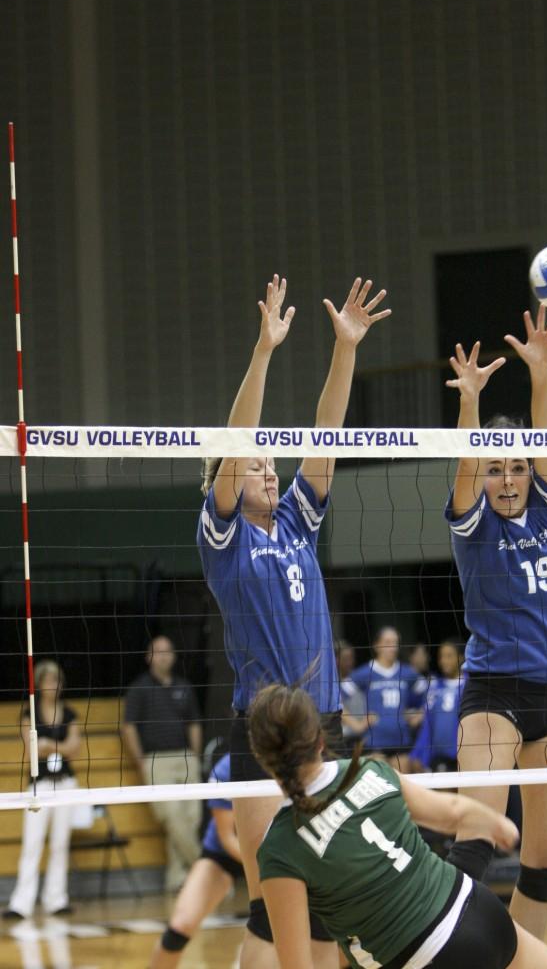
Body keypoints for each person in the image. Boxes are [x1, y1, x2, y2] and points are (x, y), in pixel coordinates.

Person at [197, 273, 390, 969]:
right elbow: (235, 438)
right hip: (263, 733)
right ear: (226, 475)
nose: (269, 472)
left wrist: (345, 350)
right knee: (267, 904)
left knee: (328, 895)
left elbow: (326, 434)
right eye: (254, 466)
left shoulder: (297, 525)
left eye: (271, 464)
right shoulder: (223, 539)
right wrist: (264, 351)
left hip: (327, 728)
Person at [249, 683, 547, 969]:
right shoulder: (368, 771)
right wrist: (490, 821)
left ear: (262, 758)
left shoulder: (279, 849)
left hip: (420, 957)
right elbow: (451, 812)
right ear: (320, 740)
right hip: (476, 910)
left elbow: (297, 964)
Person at [443, 305, 547, 940]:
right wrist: (470, 404)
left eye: (517, 466)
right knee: (475, 845)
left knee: (545, 863)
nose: (506, 478)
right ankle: (444, 954)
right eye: (497, 466)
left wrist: (541, 373)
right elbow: (467, 469)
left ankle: (520, 960)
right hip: (495, 693)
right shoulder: (475, 529)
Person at [122, 635, 203, 891]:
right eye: (158, 651)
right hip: (156, 760)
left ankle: (178, 878)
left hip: (186, 758)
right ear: (148, 657)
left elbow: (194, 724)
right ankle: (205, 872)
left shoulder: (184, 687)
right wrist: (140, 761)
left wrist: (195, 756)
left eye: (168, 651)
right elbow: (128, 727)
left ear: (174, 655)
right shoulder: (139, 689)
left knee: (192, 818)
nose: (164, 656)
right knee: (172, 817)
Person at [150, 753, 243, 969]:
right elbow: (227, 838)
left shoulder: (292, 758)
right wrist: (266, 866)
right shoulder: (227, 768)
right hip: (226, 854)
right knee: (180, 926)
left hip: (278, 853)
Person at [3, 660, 81, 920]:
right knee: (32, 843)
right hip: (39, 785)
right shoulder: (30, 713)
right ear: (39, 683)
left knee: (60, 843)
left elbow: (75, 747)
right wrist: (56, 745)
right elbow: (31, 747)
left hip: (66, 784)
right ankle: (21, 903)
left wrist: (48, 744)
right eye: (48, 680)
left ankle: (56, 899)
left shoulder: (69, 713)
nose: (52, 685)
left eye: (56, 680)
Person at [347, 626, 427, 768]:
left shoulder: (408, 673)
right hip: (375, 741)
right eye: (388, 642)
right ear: (377, 645)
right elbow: (336, 699)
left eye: (395, 643)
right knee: (380, 786)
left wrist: (419, 714)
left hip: (401, 741)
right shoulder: (365, 672)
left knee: (402, 786)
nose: (393, 647)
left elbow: (432, 693)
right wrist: (356, 725)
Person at [410, 640, 465, 773]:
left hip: (464, 753)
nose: (444, 661)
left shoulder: (470, 686)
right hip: (440, 755)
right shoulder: (434, 687)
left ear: (461, 657)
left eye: (449, 656)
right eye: (441, 656)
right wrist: (418, 753)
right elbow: (427, 723)